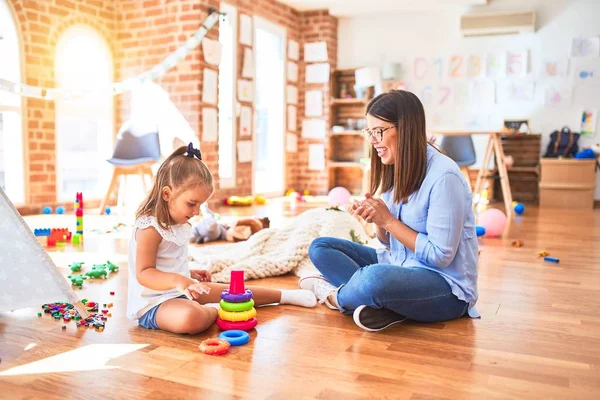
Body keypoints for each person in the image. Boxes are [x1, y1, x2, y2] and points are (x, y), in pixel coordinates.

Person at [301, 90, 479, 332]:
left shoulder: (444, 176)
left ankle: (337, 297)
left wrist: (388, 220)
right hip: (400, 265)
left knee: (375, 278)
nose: (373, 140)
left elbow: (440, 256)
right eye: (370, 132)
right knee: (321, 247)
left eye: (379, 131)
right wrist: (377, 219)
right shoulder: (395, 166)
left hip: (445, 289)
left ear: (405, 129)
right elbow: (387, 243)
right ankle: (385, 305)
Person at [127, 143, 316, 334]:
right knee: (191, 319)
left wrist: (189, 273)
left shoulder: (178, 222)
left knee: (235, 292)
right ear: (167, 194)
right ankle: (215, 310)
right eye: (192, 203)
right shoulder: (149, 228)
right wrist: (180, 280)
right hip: (154, 304)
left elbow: (167, 264)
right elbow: (144, 273)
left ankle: (285, 295)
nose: (196, 211)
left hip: (182, 290)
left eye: (199, 205)